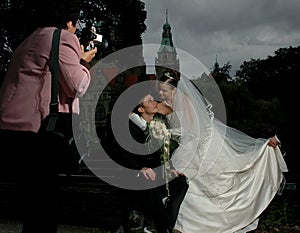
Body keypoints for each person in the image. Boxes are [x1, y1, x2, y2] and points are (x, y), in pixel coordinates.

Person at [0, 0, 97, 232]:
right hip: (39, 130)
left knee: (37, 204)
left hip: (11, 128)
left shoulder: (30, 39)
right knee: (46, 206)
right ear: (68, 21)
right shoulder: (63, 37)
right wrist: (84, 63)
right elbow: (77, 86)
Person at [155, 69, 288, 233]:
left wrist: (170, 133)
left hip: (202, 143)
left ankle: (216, 220)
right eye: (160, 90)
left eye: (164, 90)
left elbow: (193, 131)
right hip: (190, 144)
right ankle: (179, 222)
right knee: (183, 179)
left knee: (207, 178)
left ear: (175, 90)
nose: (161, 93)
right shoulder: (168, 105)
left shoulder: (186, 103)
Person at [111, 93, 188, 233]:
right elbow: (120, 153)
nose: (154, 102)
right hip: (133, 173)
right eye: (149, 100)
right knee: (148, 182)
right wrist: (140, 168)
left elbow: (161, 153)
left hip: (154, 171)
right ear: (140, 109)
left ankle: (166, 222)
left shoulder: (158, 125)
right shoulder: (129, 127)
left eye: (153, 99)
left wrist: (170, 169)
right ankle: (164, 227)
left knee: (181, 181)